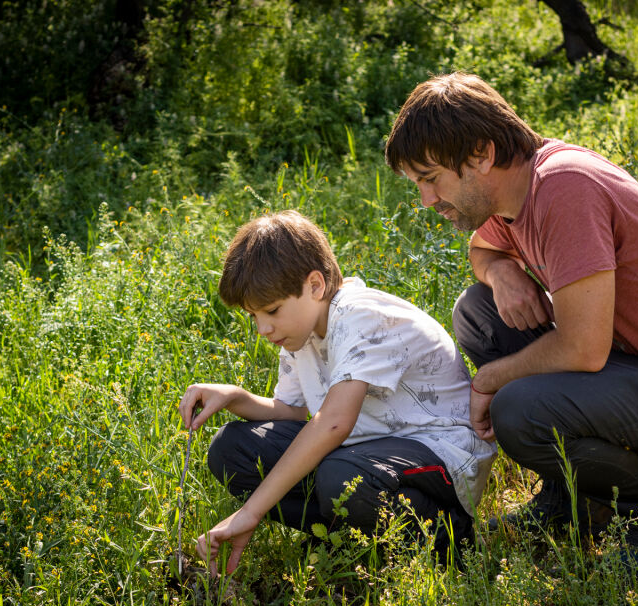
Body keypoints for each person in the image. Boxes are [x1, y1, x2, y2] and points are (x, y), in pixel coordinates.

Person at [384, 72, 638, 570]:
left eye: (431, 179)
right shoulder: (514, 193)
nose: (427, 202)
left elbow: (584, 349)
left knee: (518, 410)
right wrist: (502, 271)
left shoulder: (564, 187)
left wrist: (491, 379)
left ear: (481, 154)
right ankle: (578, 502)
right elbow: (483, 251)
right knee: (479, 312)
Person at [179, 210, 496, 575]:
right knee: (231, 451)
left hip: (439, 451)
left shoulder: (358, 316)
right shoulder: (299, 333)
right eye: (254, 317)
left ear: (315, 285)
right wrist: (236, 398)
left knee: (342, 476)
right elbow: (296, 411)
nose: (263, 328)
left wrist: (251, 512)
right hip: (369, 447)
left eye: (271, 310)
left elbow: (332, 424)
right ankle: (344, 535)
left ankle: (449, 545)